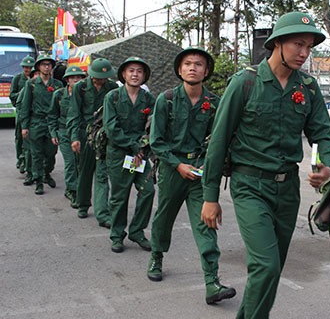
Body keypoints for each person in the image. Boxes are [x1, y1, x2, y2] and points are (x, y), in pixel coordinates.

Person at [201, 12, 330, 319]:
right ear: (277, 42)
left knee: (271, 271)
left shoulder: (309, 88)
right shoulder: (245, 82)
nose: (304, 53)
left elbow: (322, 136)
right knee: (265, 266)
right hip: (250, 185)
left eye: (309, 47)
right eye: (297, 44)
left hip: (287, 190)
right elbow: (218, 142)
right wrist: (210, 196)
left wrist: (324, 164)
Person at [146, 47, 236, 305]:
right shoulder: (167, 99)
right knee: (164, 217)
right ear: (179, 69)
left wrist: (205, 165)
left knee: (205, 223)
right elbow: (157, 142)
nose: (192, 68)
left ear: (206, 71)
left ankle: (212, 281)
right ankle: (157, 256)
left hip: (200, 172)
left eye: (198, 64)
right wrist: (177, 165)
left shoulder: (215, 103)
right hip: (172, 170)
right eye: (187, 64)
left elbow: (218, 140)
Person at [103, 57, 156, 253]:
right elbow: (111, 128)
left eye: (139, 71)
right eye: (131, 70)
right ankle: (117, 235)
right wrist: (134, 147)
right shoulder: (113, 97)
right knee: (120, 196)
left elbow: (154, 126)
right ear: (124, 74)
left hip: (139, 156)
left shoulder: (149, 99)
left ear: (144, 76)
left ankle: (137, 231)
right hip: (119, 155)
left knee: (148, 190)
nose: (135, 74)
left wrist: (142, 148)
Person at [67, 58, 118, 226]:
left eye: (104, 77)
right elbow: (74, 114)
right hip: (85, 134)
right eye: (98, 77)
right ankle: (82, 204)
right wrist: (74, 137)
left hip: (104, 135)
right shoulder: (80, 88)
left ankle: (103, 213)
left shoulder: (113, 88)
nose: (101, 80)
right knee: (85, 171)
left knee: (102, 174)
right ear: (90, 74)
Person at [19, 55, 63, 195]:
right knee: (36, 154)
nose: (46, 67)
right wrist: (24, 126)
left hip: (52, 123)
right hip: (36, 123)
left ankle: (46, 173)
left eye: (49, 64)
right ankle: (38, 181)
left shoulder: (57, 85)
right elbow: (25, 105)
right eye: (43, 64)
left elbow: (61, 107)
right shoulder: (31, 84)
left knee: (51, 153)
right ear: (38, 67)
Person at [48, 66, 86, 207]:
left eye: (79, 77)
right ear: (67, 80)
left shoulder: (85, 95)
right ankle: (72, 191)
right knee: (70, 162)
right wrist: (53, 132)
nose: (76, 80)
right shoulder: (59, 95)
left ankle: (77, 188)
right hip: (64, 132)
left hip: (80, 133)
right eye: (73, 78)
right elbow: (52, 115)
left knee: (80, 163)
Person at [10, 55, 35, 172]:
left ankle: (29, 161)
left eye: (30, 67)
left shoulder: (35, 79)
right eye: (26, 67)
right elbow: (12, 95)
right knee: (20, 137)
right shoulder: (18, 79)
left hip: (33, 112)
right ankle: (20, 159)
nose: (28, 70)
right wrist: (21, 94)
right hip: (21, 110)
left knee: (30, 138)